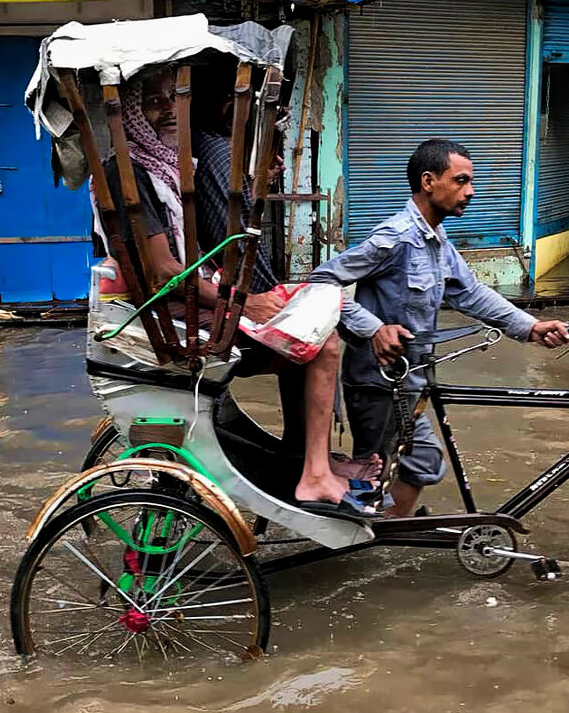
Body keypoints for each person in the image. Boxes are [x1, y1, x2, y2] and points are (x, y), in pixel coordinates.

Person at [101, 66, 372, 513]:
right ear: (130, 111)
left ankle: (303, 457)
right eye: (152, 101)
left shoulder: (165, 164)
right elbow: (164, 270)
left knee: (315, 315)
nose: (167, 109)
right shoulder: (128, 171)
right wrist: (244, 303)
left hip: (187, 303)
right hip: (171, 316)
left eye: (172, 98)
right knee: (320, 345)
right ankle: (314, 474)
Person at [308, 138, 569, 516]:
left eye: (471, 182)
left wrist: (531, 327)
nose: (471, 191)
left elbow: (472, 293)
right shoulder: (396, 238)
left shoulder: (437, 241)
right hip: (379, 384)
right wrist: (373, 328)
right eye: (461, 181)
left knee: (421, 463)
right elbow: (320, 281)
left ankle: (385, 537)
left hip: (412, 382)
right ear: (429, 181)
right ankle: (360, 547)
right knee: (371, 477)